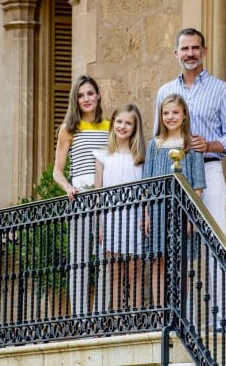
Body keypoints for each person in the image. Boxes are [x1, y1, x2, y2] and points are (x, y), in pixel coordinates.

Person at [154, 28, 226, 332]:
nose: (190, 53)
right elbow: (158, 138)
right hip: (174, 178)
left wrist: (211, 145)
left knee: (215, 244)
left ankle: (221, 321)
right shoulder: (164, 92)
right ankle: (183, 320)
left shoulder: (220, 89)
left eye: (195, 48)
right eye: (184, 48)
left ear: (204, 51)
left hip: (210, 172)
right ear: (176, 54)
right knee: (178, 247)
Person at [53, 75, 110, 316]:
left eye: (90, 93)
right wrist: (68, 187)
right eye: (80, 95)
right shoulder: (68, 129)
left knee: (107, 257)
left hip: (107, 198)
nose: (86, 99)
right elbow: (57, 170)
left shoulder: (110, 126)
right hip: (80, 197)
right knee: (79, 259)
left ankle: (100, 314)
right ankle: (80, 316)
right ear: (75, 100)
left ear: (98, 96)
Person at [144, 93, 206, 307]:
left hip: (182, 211)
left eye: (175, 112)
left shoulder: (192, 144)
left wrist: (191, 217)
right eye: (166, 113)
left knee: (182, 262)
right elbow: (146, 183)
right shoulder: (154, 144)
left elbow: (198, 187)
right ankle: (161, 312)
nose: (170, 117)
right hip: (158, 211)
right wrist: (146, 215)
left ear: (184, 115)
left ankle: (181, 311)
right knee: (158, 261)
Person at [93, 104, 146, 310]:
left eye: (128, 123)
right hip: (111, 219)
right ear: (113, 123)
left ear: (135, 127)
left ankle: (137, 319)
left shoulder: (140, 157)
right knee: (114, 273)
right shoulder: (102, 156)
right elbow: (97, 194)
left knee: (135, 272)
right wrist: (98, 223)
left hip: (134, 218)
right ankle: (116, 320)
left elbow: (145, 191)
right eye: (119, 121)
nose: (123, 126)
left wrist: (145, 215)